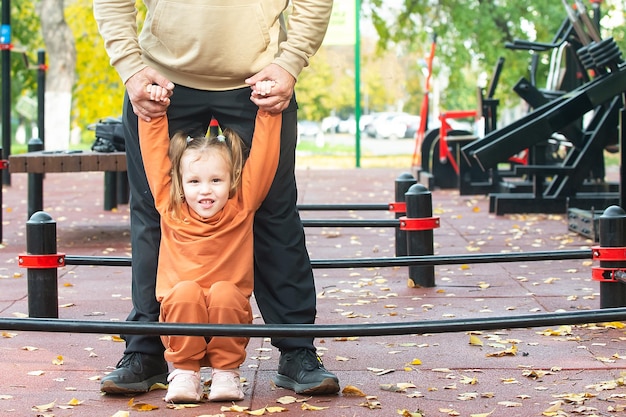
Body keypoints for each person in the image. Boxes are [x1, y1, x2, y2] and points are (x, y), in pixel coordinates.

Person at [92, 0, 340, 396]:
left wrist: (291, 61)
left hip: (258, 76)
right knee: (154, 213)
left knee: (274, 214)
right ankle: (146, 348)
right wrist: (130, 65)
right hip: (162, 75)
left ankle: (297, 349)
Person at [139, 85, 279, 402]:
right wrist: (153, 111)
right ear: (179, 183)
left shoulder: (241, 207)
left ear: (232, 180)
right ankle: (185, 373)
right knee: (185, 290)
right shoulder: (170, 207)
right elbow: (153, 156)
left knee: (226, 291)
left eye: (216, 180)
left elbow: (265, 159)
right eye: (194, 181)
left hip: (227, 313)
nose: (205, 191)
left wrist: (269, 111)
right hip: (180, 314)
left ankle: (226, 373)